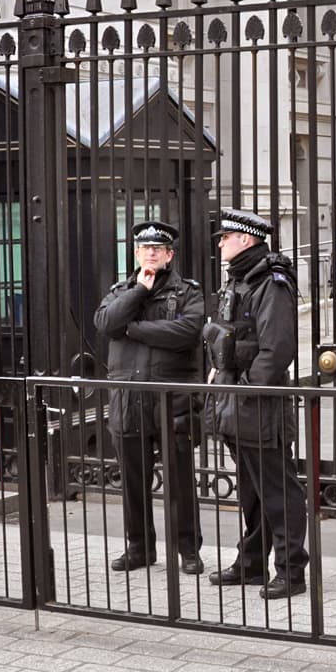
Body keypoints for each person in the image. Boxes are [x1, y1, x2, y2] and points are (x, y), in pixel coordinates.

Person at [203, 208, 308, 599]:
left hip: (258, 402)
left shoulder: (270, 283)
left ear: (245, 239)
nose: (220, 244)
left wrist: (245, 388)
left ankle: (291, 570)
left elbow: (277, 349)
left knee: (278, 490)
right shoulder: (239, 278)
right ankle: (250, 563)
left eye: (225, 237)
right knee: (251, 490)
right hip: (235, 397)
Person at [93, 220, 205, 575]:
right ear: (137, 253)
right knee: (132, 480)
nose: (151, 253)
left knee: (180, 480)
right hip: (129, 398)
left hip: (172, 399)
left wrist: (134, 329)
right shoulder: (121, 291)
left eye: (158, 249)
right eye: (145, 248)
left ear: (169, 255)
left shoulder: (187, 292)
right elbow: (105, 324)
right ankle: (139, 548)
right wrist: (139, 292)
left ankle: (188, 549)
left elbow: (187, 332)